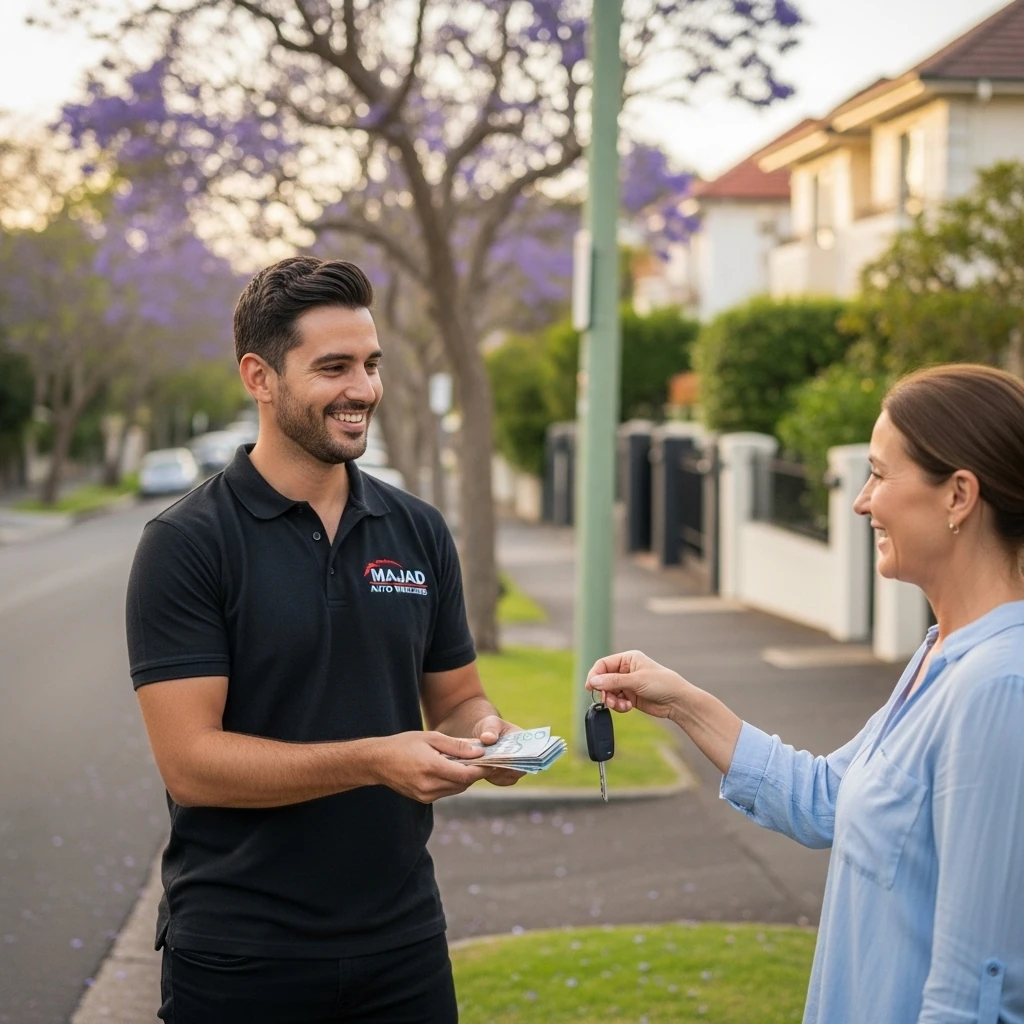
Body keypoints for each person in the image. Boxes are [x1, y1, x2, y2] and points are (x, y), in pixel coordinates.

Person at [126, 256, 522, 1024]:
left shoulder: (418, 530)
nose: (364, 390)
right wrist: (376, 759)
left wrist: (486, 735)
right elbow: (191, 764)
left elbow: (457, 694)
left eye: (371, 365)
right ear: (260, 376)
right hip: (241, 955)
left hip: (403, 943)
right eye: (334, 367)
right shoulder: (187, 544)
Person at [587, 364, 1024, 1024]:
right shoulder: (939, 656)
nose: (861, 500)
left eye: (879, 473)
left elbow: (973, 991)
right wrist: (678, 700)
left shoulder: (998, 687)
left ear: (959, 495)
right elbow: (828, 799)